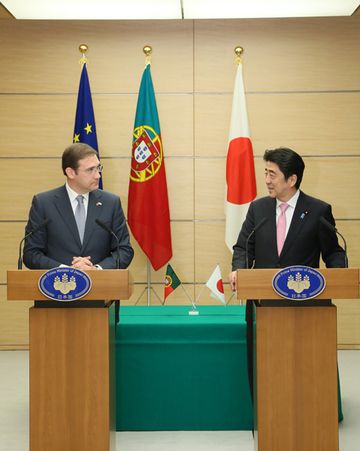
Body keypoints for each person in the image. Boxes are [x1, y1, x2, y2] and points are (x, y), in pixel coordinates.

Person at [229, 147, 346, 401]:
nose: (267, 180)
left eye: (272, 174)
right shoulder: (257, 209)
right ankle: (263, 418)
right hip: (263, 306)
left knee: (304, 372)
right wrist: (238, 269)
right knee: (265, 374)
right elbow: (242, 247)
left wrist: (339, 276)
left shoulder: (318, 211)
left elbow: (333, 252)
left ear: (292, 179)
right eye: (265, 173)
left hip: (305, 309)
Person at [23, 143, 134, 271]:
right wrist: (65, 269)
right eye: (90, 170)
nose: (98, 175)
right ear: (70, 172)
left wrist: (97, 269)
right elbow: (31, 253)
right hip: (57, 286)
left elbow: (124, 250)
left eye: (98, 168)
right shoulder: (44, 203)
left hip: (101, 286)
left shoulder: (111, 203)